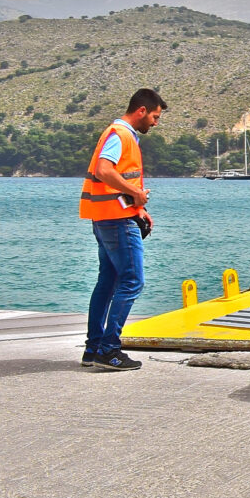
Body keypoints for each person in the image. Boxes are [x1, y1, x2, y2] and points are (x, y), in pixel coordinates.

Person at [77, 89, 167, 371]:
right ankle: (109, 348)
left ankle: (93, 349)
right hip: (117, 221)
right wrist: (136, 194)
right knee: (132, 282)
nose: (155, 123)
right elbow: (105, 170)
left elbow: (114, 180)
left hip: (106, 217)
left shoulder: (121, 134)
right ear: (141, 110)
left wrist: (138, 207)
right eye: (154, 116)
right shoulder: (121, 134)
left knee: (108, 282)